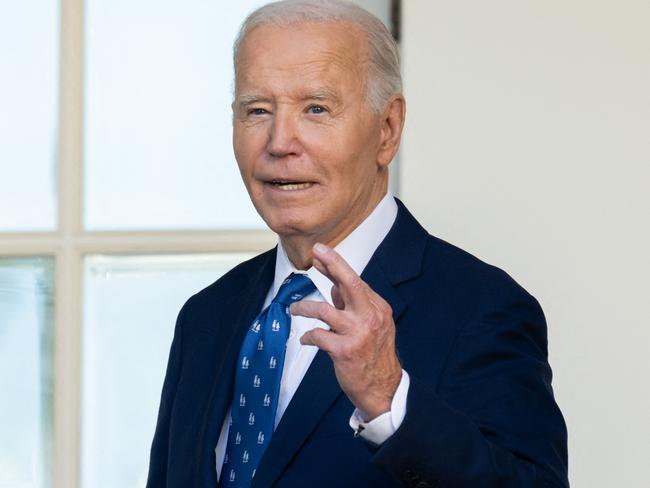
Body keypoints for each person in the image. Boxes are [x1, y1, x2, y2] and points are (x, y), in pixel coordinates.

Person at [146, 1, 568, 487]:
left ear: (387, 130)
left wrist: (390, 399)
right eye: (257, 110)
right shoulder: (205, 316)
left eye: (316, 109)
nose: (280, 141)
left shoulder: (482, 309)